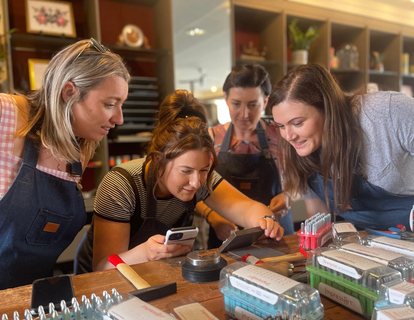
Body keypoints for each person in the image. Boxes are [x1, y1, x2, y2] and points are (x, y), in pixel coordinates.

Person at [0, 38, 130, 294]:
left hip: (32, 302)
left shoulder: (78, 147)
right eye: (109, 104)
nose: (119, 118)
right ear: (69, 93)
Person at [75, 90, 284, 273]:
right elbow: (103, 267)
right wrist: (146, 253)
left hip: (154, 273)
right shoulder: (122, 185)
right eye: (186, 171)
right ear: (159, 160)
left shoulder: (202, 179)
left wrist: (265, 221)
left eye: (204, 170)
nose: (196, 182)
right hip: (101, 285)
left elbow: (246, 208)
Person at [268, 63, 414, 230]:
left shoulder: (386, 112)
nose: (288, 136)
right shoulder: (302, 150)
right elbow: (318, 218)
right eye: (281, 126)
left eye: (298, 123)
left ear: (327, 109)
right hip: (372, 247)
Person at [198, 64, 294, 249]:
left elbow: (302, 178)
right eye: (236, 104)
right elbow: (193, 189)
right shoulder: (209, 139)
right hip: (226, 232)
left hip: (275, 231)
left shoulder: (282, 135)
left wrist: (289, 195)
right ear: (225, 98)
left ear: (265, 102)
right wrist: (214, 218)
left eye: (253, 105)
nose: (244, 114)